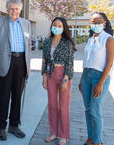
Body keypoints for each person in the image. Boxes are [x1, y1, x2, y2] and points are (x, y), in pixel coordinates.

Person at [0, 0, 31, 141]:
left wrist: (28, 65)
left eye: (17, 9)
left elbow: (29, 47)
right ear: (8, 9)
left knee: (17, 96)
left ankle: (14, 125)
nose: (14, 11)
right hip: (4, 63)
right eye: (12, 8)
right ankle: (1, 127)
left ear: (20, 9)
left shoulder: (26, 24)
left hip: (21, 62)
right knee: (3, 96)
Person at [79, 12, 114, 145]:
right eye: (93, 22)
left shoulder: (109, 39)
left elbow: (109, 62)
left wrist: (100, 83)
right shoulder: (90, 39)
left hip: (99, 77)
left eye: (99, 21)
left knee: (95, 110)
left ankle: (98, 141)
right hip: (86, 77)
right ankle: (90, 138)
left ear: (104, 23)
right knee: (88, 109)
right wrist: (81, 79)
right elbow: (86, 61)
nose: (96, 24)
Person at [42, 17, 75, 145]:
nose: (56, 27)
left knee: (63, 106)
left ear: (63, 28)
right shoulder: (47, 41)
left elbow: (70, 62)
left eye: (59, 25)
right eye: (54, 25)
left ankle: (64, 135)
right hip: (50, 74)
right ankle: (54, 133)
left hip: (63, 75)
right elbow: (45, 60)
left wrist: (66, 79)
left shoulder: (67, 43)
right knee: (52, 105)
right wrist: (44, 77)